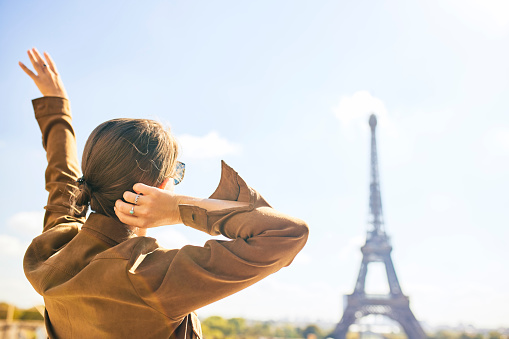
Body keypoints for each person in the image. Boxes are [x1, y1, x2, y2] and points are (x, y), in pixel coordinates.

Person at [19, 48, 309, 339]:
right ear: (158, 188)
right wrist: (177, 209)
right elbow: (287, 233)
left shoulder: (53, 249)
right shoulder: (149, 278)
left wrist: (55, 106)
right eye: (177, 174)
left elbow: (62, 178)